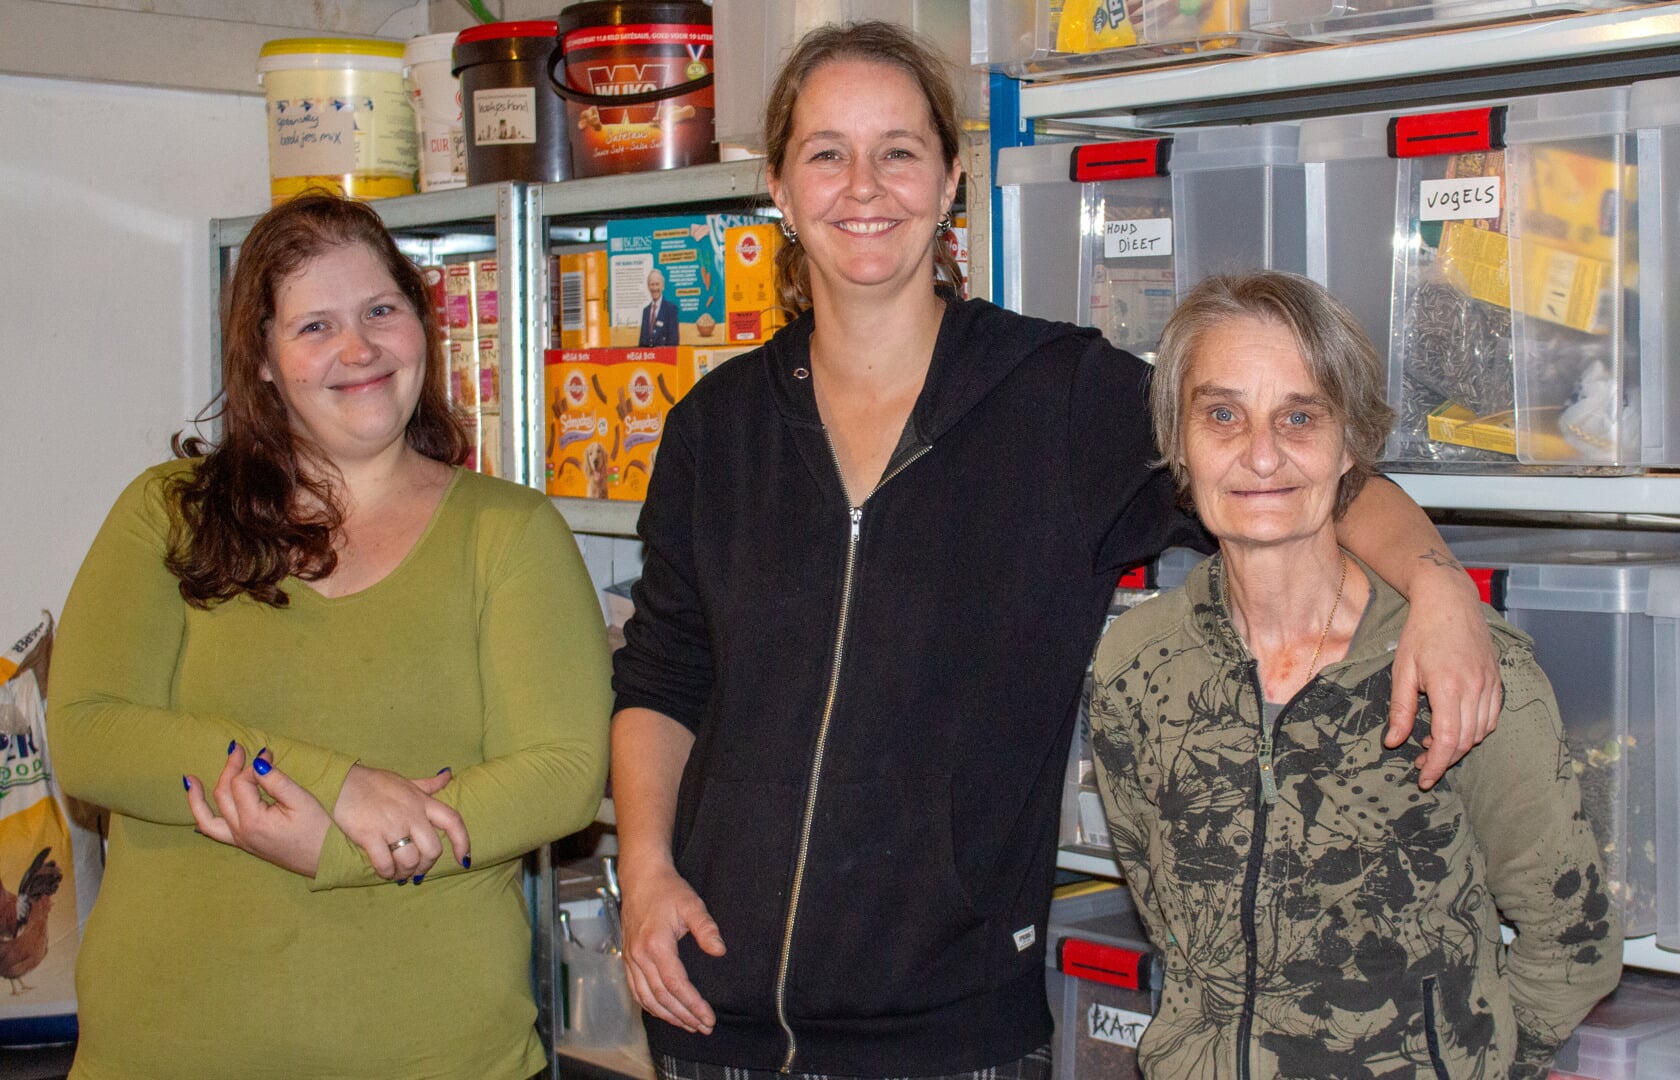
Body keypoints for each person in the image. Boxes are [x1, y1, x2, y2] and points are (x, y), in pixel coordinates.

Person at [609, 21, 1504, 1080]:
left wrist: (1438, 591)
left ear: (949, 180)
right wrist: (648, 870)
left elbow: (1315, 479)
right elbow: (665, 674)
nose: (863, 185)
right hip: (713, 1016)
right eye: (826, 152)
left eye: (898, 151)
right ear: (778, 185)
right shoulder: (715, 428)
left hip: (949, 1031)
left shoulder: (1059, 398)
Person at [45, 193, 613, 1080]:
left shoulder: (510, 530)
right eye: (314, 326)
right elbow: (88, 734)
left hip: (433, 1051)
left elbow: (562, 775)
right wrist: (333, 787)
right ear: (263, 361)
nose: (359, 349)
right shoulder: (170, 512)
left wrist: (341, 851)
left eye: (381, 311)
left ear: (420, 325)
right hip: (166, 1047)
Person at [1086, 272, 1621, 1080]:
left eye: (1299, 417)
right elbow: (1173, 922)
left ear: (1349, 447)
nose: (1260, 454)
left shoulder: (1464, 669)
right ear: (1179, 441)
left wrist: (1479, 1064)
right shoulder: (1138, 663)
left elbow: (1572, 938)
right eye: (1221, 415)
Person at [639, 267, 681, 346]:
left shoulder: (671, 309)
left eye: (657, 284)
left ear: (663, 286)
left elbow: (673, 342)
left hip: (664, 357)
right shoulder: (646, 311)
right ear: (648, 287)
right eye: (652, 284)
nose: (655, 288)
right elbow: (642, 342)